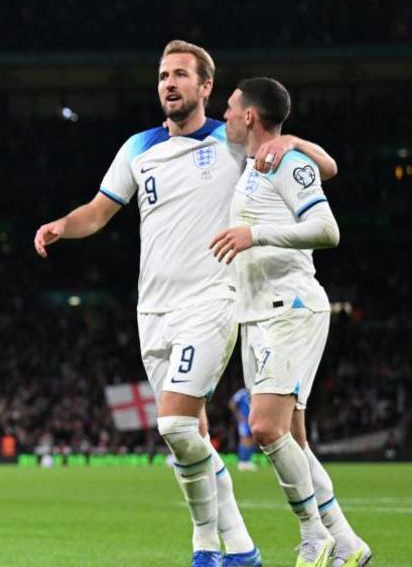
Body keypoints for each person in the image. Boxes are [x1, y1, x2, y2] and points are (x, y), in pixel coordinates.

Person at [33, 40, 337, 567]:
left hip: (213, 298)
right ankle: (240, 551)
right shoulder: (138, 148)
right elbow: (100, 211)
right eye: (162, 75)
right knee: (186, 439)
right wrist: (62, 225)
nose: (168, 83)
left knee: (174, 426)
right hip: (152, 310)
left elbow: (324, 168)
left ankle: (204, 544)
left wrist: (288, 142)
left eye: (179, 75)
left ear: (205, 87)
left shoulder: (232, 141)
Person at [211, 77, 371, 567]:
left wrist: (253, 234)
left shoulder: (286, 161)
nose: (225, 116)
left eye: (231, 108)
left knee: (263, 428)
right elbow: (331, 165)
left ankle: (311, 535)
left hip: (291, 309)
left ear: (251, 117)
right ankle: (347, 544)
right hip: (258, 314)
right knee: (293, 440)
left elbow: (328, 229)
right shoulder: (258, 162)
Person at [228, 388, 257, 471]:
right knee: (244, 440)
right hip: (244, 420)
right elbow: (231, 403)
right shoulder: (242, 392)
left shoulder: (255, 392)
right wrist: (238, 415)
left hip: (253, 420)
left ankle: (248, 461)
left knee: (253, 440)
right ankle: (241, 462)